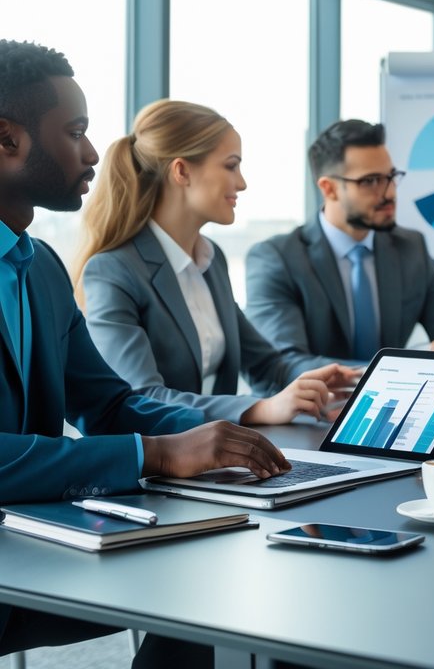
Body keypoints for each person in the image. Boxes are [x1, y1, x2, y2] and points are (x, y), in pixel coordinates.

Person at [0, 41, 288, 665]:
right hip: (16, 554)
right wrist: (156, 453)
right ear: (6, 139)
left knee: (212, 568)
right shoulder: (97, 269)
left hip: (25, 538)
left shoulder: (38, 267)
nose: (92, 153)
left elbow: (107, 403)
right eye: (74, 132)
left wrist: (216, 437)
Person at [74, 99, 359, 424]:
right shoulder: (114, 270)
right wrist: (259, 408)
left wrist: (351, 379)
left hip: (214, 460)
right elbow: (140, 399)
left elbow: (268, 366)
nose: (242, 183)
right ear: (182, 171)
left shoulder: (211, 260)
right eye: (231, 165)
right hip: (152, 467)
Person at [244, 119, 434, 376]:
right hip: (310, 413)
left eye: (391, 177)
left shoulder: (410, 249)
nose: (389, 193)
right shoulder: (277, 258)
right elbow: (284, 365)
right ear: (329, 188)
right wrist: (406, 369)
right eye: (371, 181)